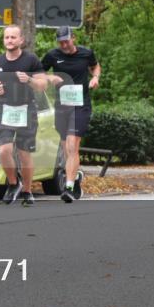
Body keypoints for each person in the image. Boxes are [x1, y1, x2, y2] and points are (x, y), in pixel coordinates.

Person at [0, 25, 48, 206]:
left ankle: (27, 191)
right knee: (4, 150)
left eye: (13, 37)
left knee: (24, 154)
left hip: (26, 110)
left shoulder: (31, 60)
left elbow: (43, 85)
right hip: (5, 110)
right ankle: (14, 183)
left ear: (21, 40)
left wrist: (29, 79)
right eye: (7, 37)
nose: (9, 40)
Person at [42, 26, 100, 203]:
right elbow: (38, 73)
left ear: (73, 38)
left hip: (80, 105)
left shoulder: (86, 53)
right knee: (66, 148)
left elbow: (95, 66)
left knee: (73, 144)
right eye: (60, 42)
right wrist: (49, 78)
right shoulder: (52, 55)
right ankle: (74, 178)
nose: (64, 45)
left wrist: (95, 77)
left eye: (66, 41)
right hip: (62, 106)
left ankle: (67, 188)